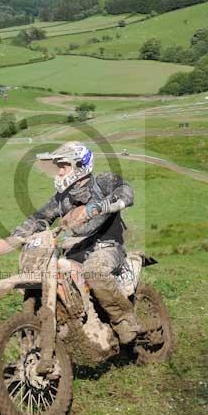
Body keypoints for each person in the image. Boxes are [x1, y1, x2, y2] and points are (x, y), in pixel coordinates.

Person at [10, 141, 139, 344]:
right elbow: (40, 217)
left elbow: (125, 193)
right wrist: (18, 235)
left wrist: (98, 207)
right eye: (58, 167)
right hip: (76, 250)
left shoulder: (103, 181)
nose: (59, 172)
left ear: (80, 165)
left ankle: (125, 320)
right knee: (48, 273)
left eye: (64, 166)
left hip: (107, 246)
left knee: (94, 271)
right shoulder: (62, 198)